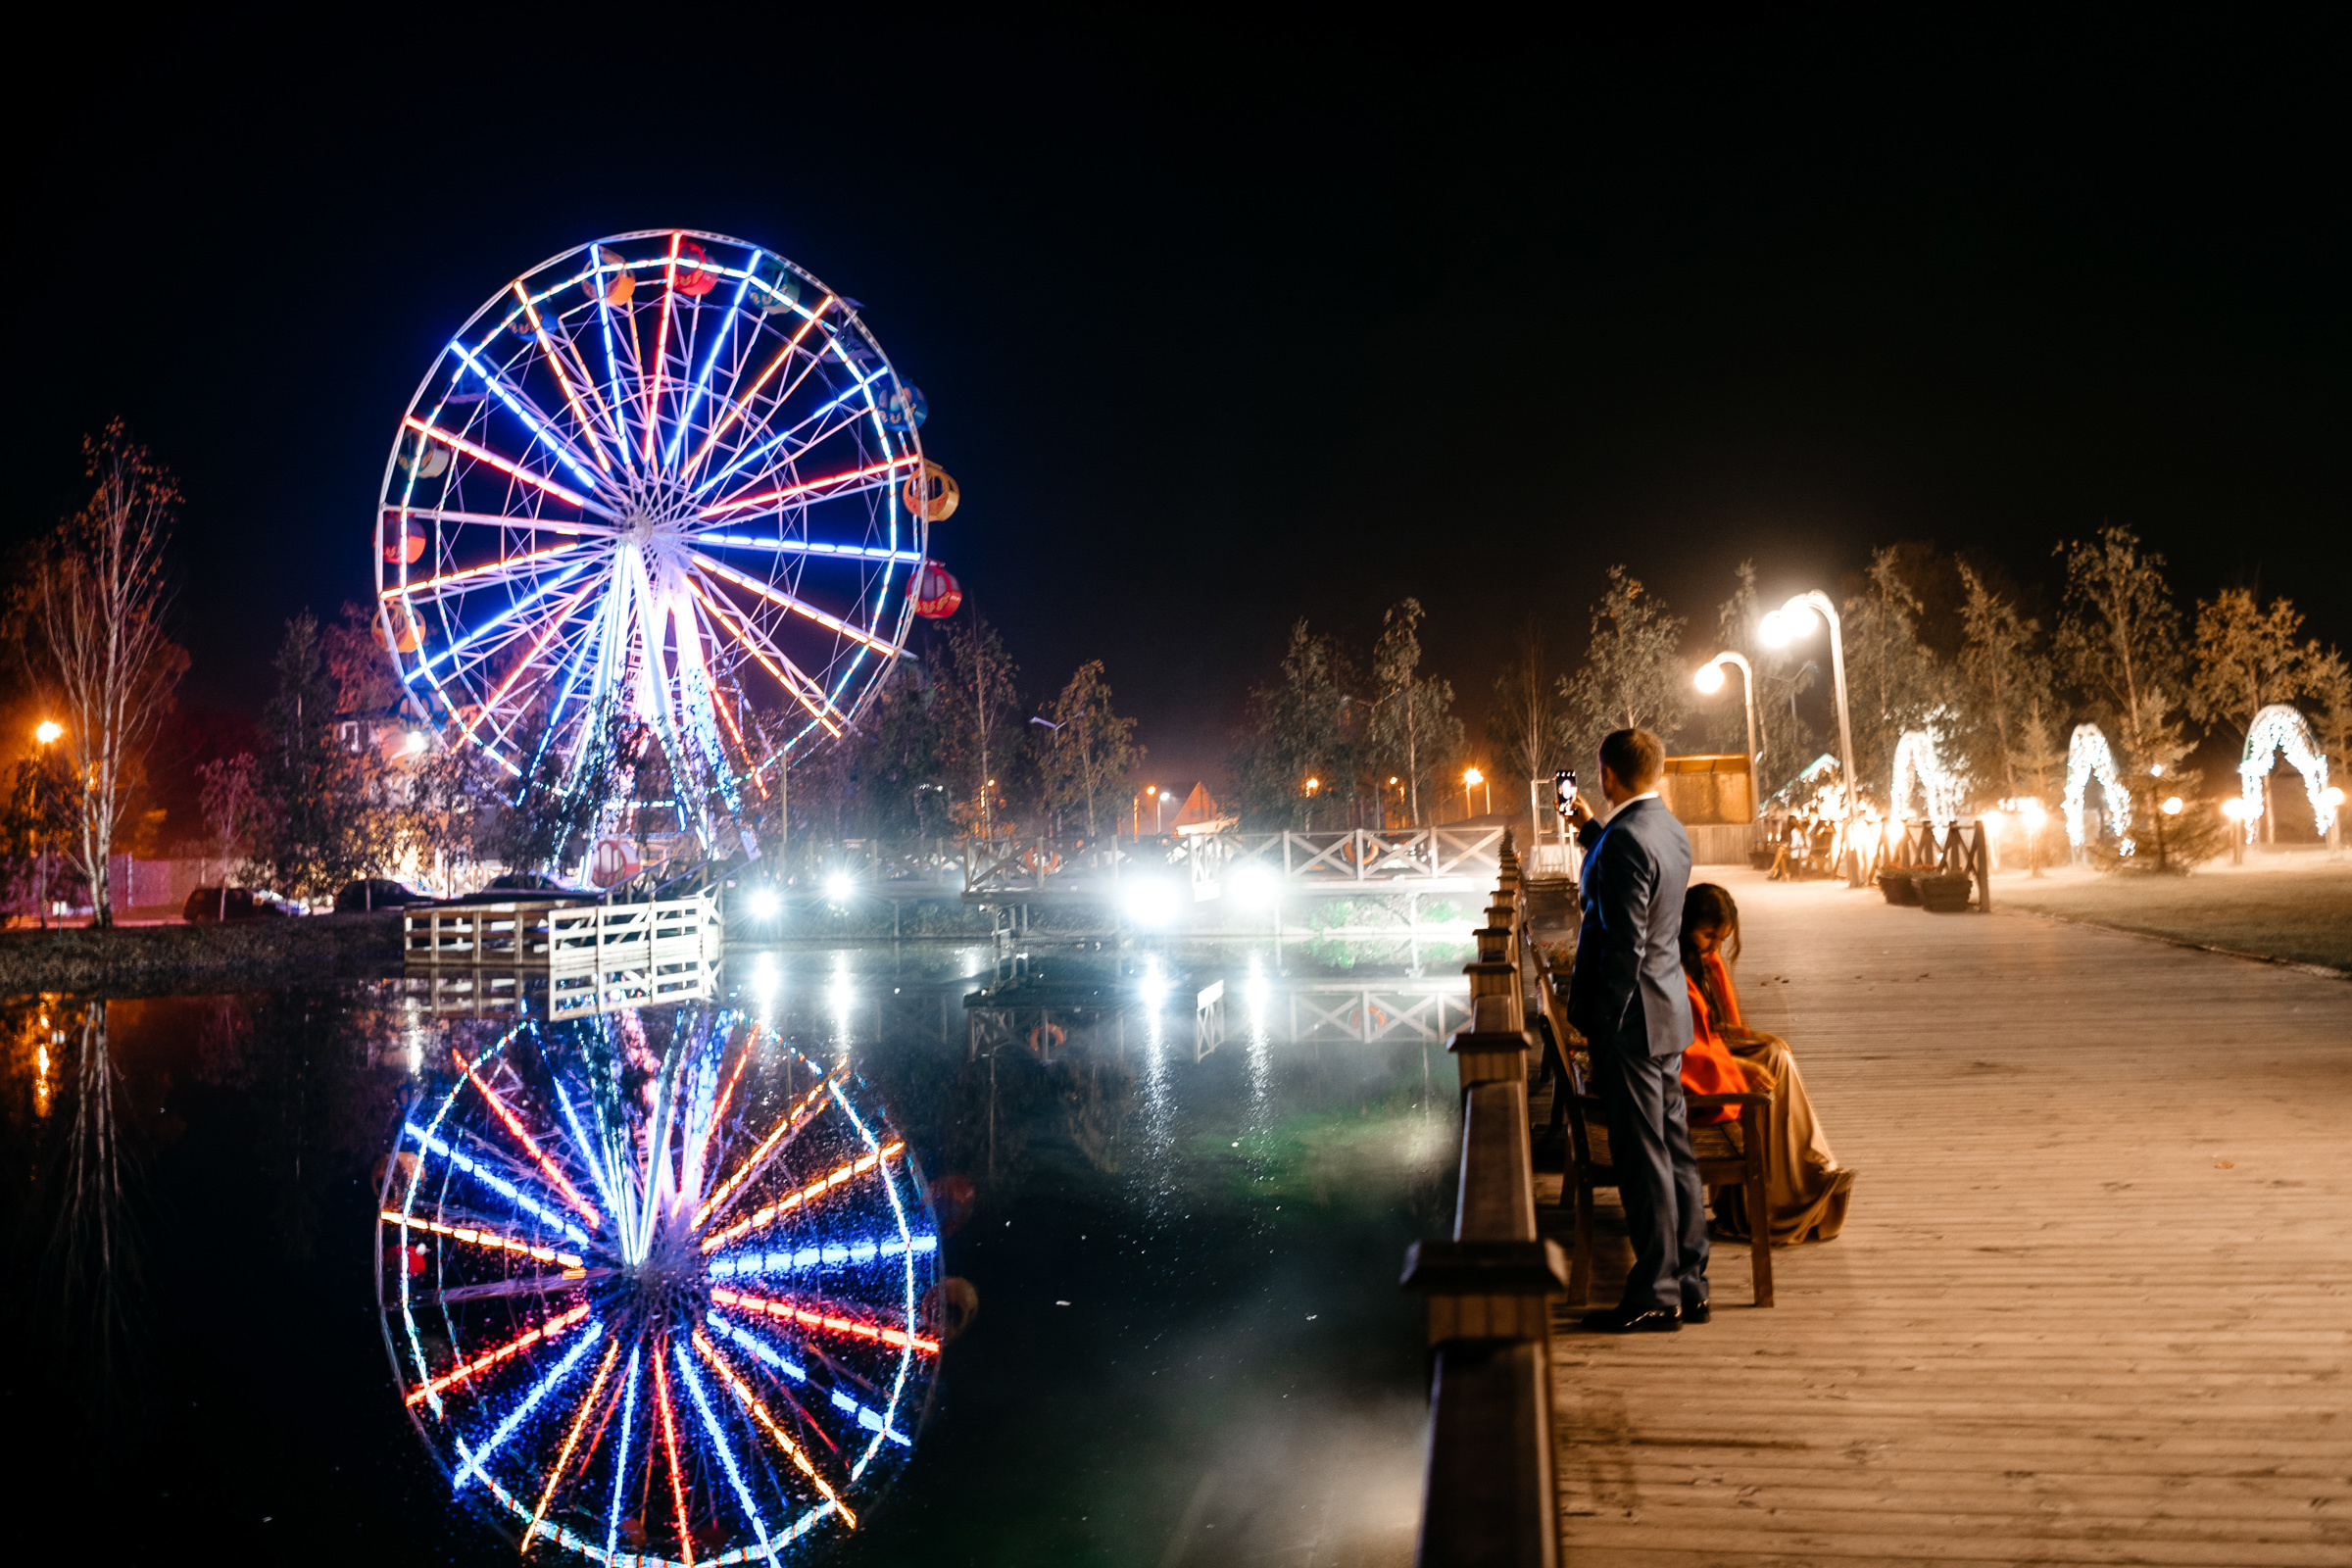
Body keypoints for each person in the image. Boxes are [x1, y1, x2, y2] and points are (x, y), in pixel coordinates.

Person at [1564, 727, 1705, 1333]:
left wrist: (1600, 1026)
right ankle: (1691, 1282)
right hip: (1666, 1009)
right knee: (1673, 1149)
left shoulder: (1626, 841)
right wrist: (1588, 828)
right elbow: (1638, 885)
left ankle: (1655, 1292)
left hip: (1631, 1023)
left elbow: (1625, 944)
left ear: (1607, 772)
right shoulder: (1665, 828)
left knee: (1642, 1156)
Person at [1682, 882, 1856, 1244]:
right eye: (1707, 934)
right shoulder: (1672, 966)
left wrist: (1749, 1044)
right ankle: (1797, 1183)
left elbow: (1711, 1030)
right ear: (1685, 924)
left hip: (1705, 1056)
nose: (1713, 946)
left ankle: (1809, 1170)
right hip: (1687, 1082)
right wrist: (1740, 1067)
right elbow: (1683, 1048)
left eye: (1720, 938)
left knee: (1776, 1051)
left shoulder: (1701, 959)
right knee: (1772, 1067)